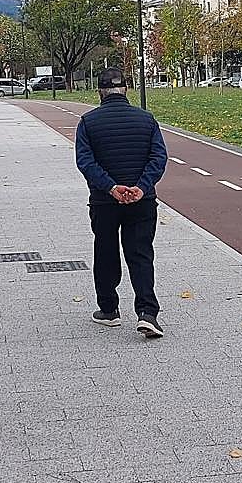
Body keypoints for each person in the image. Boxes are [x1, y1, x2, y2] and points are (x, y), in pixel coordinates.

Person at [75, 68, 168, 339]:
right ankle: (147, 313)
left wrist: (111, 187)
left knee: (105, 252)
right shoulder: (147, 120)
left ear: (100, 92)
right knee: (141, 254)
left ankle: (109, 310)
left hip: (104, 201)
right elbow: (158, 158)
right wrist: (141, 187)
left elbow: (85, 162)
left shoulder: (88, 122)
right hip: (142, 201)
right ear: (126, 90)